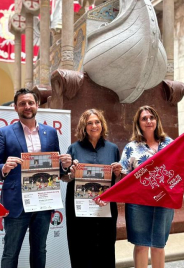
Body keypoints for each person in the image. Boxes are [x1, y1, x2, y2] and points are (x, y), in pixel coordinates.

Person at [0, 88, 72, 268]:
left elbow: (55, 167)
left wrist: (64, 166)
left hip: (44, 201)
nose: (27, 106)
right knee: (10, 252)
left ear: (37, 105)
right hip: (17, 203)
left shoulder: (50, 132)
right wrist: (4, 167)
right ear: (15, 107)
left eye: (30, 103)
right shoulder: (5, 132)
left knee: (40, 250)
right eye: (22, 103)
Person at [119, 105, 184, 268]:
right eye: (144, 118)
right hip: (138, 204)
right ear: (138, 123)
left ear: (157, 120)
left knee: (158, 246)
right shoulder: (131, 147)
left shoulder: (169, 143)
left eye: (152, 117)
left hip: (163, 201)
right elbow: (124, 174)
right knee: (141, 246)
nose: (149, 121)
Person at [63, 109, 121, 268]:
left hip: (105, 207)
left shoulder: (113, 149)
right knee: (80, 248)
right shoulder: (74, 148)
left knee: (106, 247)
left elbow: (118, 180)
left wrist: (117, 173)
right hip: (79, 208)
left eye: (97, 122)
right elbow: (65, 177)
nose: (94, 126)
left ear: (102, 125)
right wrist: (72, 173)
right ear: (84, 126)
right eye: (89, 123)